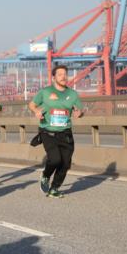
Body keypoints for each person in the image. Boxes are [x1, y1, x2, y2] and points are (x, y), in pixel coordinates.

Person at [29, 64, 85, 197]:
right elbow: (32, 104)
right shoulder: (45, 92)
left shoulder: (72, 94)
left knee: (65, 163)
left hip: (65, 133)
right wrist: (36, 111)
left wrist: (79, 113)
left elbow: (80, 110)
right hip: (48, 131)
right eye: (60, 74)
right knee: (55, 160)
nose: (63, 77)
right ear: (54, 77)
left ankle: (54, 188)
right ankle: (45, 176)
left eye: (65, 74)